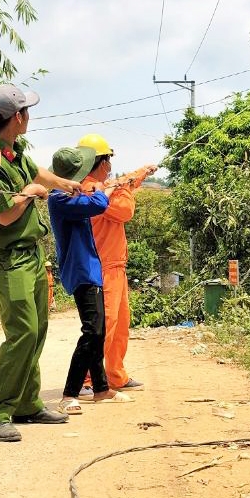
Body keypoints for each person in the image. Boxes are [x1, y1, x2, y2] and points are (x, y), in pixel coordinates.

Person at [0, 84, 83, 442]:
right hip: (8, 257)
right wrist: (28, 197)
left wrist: (67, 184)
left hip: (31, 254)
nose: (29, 117)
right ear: (17, 117)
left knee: (39, 329)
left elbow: (37, 175)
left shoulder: (13, 151)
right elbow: (3, 216)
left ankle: (27, 404)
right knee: (23, 333)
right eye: (27, 112)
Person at [47, 146, 133, 414]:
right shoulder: (60, 198)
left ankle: (101, 388)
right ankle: (69, 393)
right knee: (92, 330)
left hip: (92, 267)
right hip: (80, 268)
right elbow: (99, 204)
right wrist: (104, 189)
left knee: (99, 329)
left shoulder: (71, 194)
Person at [80, 134, 157, 391]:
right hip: (103, 267)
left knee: (120, 324)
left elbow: (123, 186)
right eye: (108, 160)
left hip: (115, 266)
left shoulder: (103, 186)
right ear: (100, 162)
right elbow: (125, 209)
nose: (111, 166)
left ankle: (115, 375)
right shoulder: (92, 190)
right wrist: (124, 185)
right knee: (105, 325)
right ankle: (90, 378)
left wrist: (141, 173)